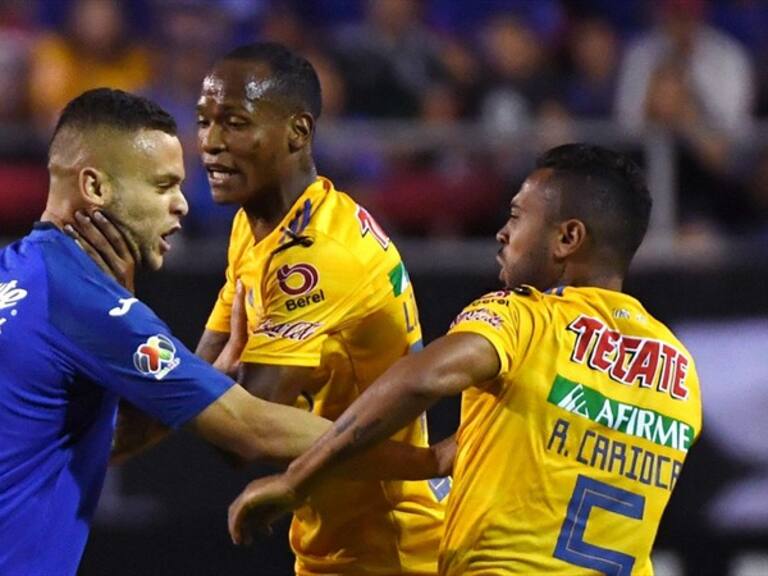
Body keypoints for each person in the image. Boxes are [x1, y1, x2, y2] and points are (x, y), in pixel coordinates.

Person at [0, 88, 444, 576]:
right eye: (162, 186)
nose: (182, 205)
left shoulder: (16, 275)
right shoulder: (85, 304)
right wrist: (428, 461)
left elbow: (88, 444)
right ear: (96, 188)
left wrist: (198, 378)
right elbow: (249, 427)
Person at [229, 144, 703, 576]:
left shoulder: (525, 317)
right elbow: (458, 457)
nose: (502, 232)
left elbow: (421, 381)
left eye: (518, 216)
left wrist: (297, 479)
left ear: (567, 238)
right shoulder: (680, 371)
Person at [194, 42, 446, 575]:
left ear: (298, 132)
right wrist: (214, 385)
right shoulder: (256, 225)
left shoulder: (317, 257)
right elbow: (205, 379)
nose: (211, 143)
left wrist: (213, 385)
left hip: (394, 545)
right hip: (329, 539)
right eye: (204, 121)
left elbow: (241, 434)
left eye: (235, 123)